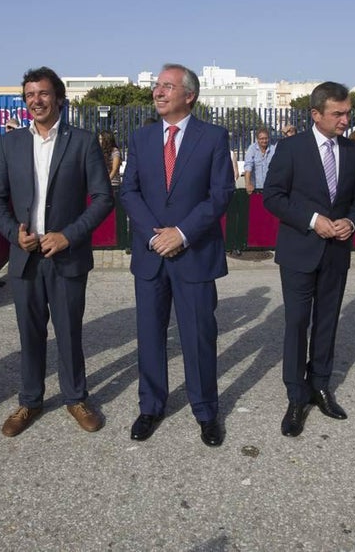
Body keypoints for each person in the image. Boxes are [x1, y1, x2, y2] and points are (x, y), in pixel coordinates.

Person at [0, 67, 114, 436]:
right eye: (29, 95)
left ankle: (76, 397)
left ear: (58, 98)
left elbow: (103, 198)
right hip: (25, 255)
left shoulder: (83, 141)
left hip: (66, 255)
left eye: (42, 94)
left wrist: (69, 236)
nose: (35, 101)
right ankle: (29, 401)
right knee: (29, 333)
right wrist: (14, 233)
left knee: (69, 331)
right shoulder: (9, 144)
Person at [120, 63, 235, 447]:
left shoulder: (214, 137)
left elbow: (220, 194)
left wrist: (182, 233)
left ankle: (205, 410)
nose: (158, 92)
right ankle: (151, 406)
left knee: (199, 336)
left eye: (167, 86)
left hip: (194, 253)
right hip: (152, 253)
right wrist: (157, 235)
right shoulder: (141, 138)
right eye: (157, 86)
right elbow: (129, 191)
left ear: (190, 95)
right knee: (150, 335)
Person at [263, 82, 355, 437]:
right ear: (316, 114)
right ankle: (296, 395)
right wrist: (312, 220)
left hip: (337, 253)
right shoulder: (291, 148)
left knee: (327, 321)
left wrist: (350, 221)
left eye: (348, 112)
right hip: (298, 251)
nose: (345, 119)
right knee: (296, 322)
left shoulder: (353, 153)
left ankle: (321, 384)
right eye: (338, 113)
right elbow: (273, 197)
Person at [242, 127, 275, 193]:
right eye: (262, 139)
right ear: (257, 139)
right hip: (256, 188)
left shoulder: (273, 149)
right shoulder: (252, 149)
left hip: (270, 188)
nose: (264, 141)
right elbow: (248, 167)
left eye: (266, 138)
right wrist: (248, 184)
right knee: (257, 203)